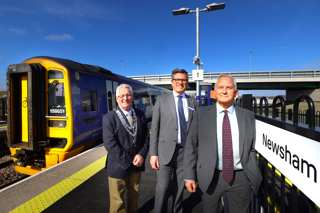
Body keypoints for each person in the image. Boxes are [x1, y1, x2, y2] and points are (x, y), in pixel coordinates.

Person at [183, 75, 262, 213]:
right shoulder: (201, 114)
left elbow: (252, 146)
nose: (224, 91)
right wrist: (189, 175)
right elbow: (191, 146)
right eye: (220, 87)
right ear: (215, 90)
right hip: (210, 175)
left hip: (240, 177)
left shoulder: (248, 116)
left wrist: (251, 168)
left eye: (229, 88)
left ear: (236, 93)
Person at [150, 68, 199, 213]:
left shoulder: (193, 103)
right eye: (177, 79)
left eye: (183, 80)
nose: (180, 82)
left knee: (179, 189)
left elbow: (196, 130)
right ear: (172, 82)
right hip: (164, 152)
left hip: (184, 153)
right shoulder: (161, 100)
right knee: (163, 188)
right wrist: (153, 154)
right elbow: (155, 128)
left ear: (187, 83)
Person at [103, 84, 149, 213]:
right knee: (117, 201)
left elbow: (146, 137)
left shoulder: (140, 114)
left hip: (137, 163)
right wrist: (129, 160)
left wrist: (142, 155)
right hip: (118, 165)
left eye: (128, 95)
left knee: (134, 195)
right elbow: (110, 144)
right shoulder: (109, 118)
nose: (125, 98)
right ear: (116, 98)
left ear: (132, 97)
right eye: (122, 95)